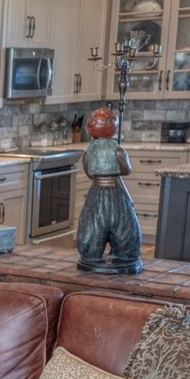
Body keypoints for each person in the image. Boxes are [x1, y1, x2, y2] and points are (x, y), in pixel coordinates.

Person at [75, 107, 142, 275]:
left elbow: (89, 173)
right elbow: (126, 170)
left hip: (96, 194)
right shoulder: (118, 150)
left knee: (92, 224)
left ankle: (91, 253)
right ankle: (126, 253)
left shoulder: (89, 151)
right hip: (116, 193)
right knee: (124, 225)